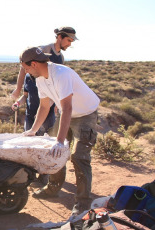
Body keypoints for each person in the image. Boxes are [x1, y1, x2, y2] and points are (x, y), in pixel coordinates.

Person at [19, 47, 99, 216]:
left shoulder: (61, 74)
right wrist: (33, 130)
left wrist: (60, 140)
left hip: (85, 115)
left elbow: (67, 107)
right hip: (67, 114)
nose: (26, 72)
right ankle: (53, 188)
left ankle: (83, 202)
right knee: (52, 151)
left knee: (79, 157)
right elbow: (44, 106)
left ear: (33, 64)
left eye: (26, 68)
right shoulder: (40, 78)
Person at [10, 26, 78, 101]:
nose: (69, 44)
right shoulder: (42, 50)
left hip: (49, 98)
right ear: (60, 37)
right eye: (68, 40)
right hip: (35, 95)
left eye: (71, 42)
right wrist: (18, 89)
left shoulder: (61, 58)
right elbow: (24, 67)